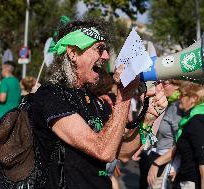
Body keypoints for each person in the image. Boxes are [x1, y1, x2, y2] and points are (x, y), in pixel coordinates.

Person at [31, 18, 167, 189]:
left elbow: (122, 152)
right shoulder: (51, 95)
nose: (106, 56)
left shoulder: (95, 100)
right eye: (99, 49)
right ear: (73, 53)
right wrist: (124, 96)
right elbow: (103, 150)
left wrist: (147, 119)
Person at [147, 82, 204, 189]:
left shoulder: (196, 122)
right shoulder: (190, 120)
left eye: (183, 95)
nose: (179, 97)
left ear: (194, 98)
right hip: (186, 178)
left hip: (191, 182)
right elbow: (180, 147)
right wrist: (156, 163)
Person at [137, 79, 182, 189]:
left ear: (177, 86)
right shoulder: (165, 102)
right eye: (159, 83)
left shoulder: (177, 106)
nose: (160, 86)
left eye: (165, 83)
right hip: (152, 154)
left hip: (165, 162)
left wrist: (158, 164)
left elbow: (180, 142)